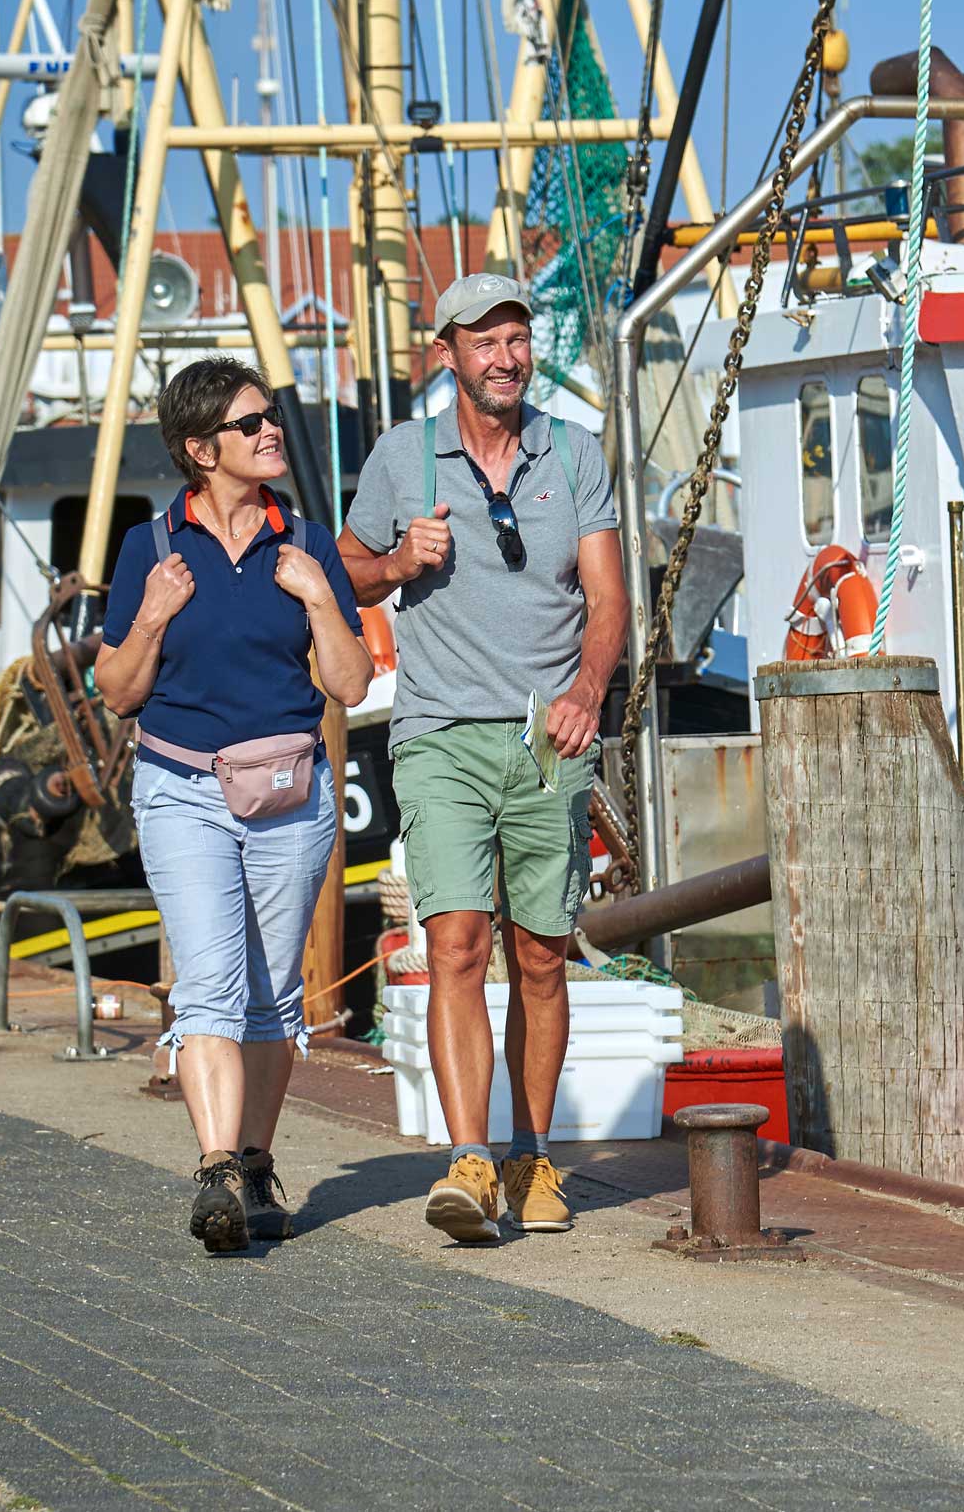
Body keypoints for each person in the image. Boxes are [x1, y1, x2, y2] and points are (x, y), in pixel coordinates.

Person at [339, 272, 626, 1245]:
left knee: (540, 958)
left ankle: (532, 1156)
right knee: (457, 942)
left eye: (515, 338)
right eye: (482, 342)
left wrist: (588, 692)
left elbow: (607, 597)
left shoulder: (572, 452)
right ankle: (468, 1162)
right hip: (438, 735)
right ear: (448, 354)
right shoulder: (399, 459)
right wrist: (395, 566)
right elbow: (346, 566)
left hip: (549, 738)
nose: (503, 357)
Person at [99, 358, 372, 1255]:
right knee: (212, 985)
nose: (269, 432)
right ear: (199, 449)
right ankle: (215, 1169)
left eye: (269, 418)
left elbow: (350, 679)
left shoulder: (306, 540)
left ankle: (256, 1163)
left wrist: (320, 596)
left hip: (290, 791)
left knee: (274, 994)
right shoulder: (152, 546)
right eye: (250, 423)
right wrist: (150, 616)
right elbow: (116, 692)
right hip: (183, 789)